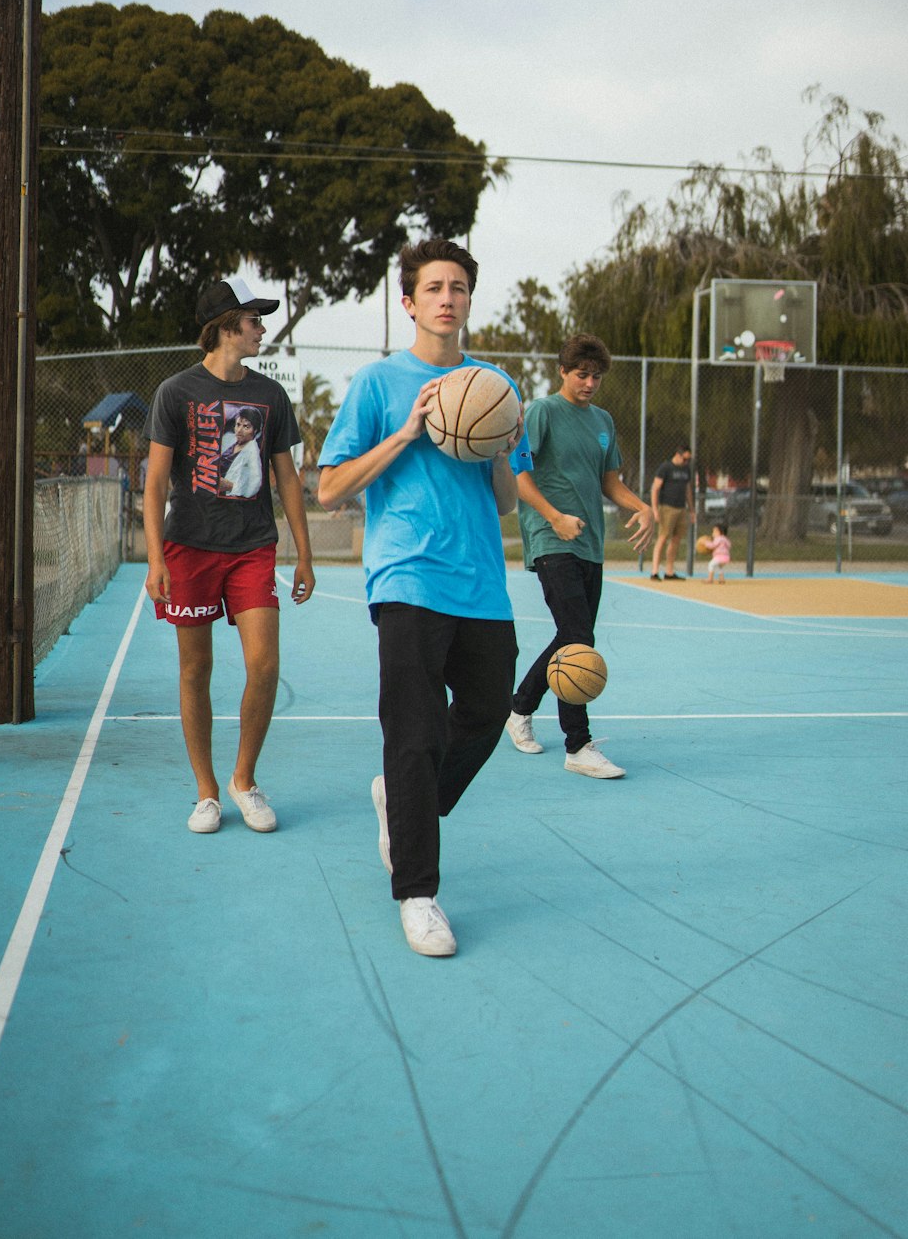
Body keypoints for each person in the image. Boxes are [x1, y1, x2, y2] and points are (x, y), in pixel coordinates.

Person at [316, 237, 529, 958]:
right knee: (412, 734)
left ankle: (405, 802)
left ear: (469, 300)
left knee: (486, 712)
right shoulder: (378, 386)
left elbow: (504, 503)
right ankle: (418, 893)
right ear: (409, 302)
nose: (448, 297)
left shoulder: (493, 385)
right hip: (406, 577)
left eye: (459, 287)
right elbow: (332, 486)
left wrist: (501, 447)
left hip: (481, 584)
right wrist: (408, 432)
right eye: (434, 287)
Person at [143, 278, 315, 836]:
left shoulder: (270, 396)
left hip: (252, 549)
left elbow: (287, 478)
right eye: (253, 320)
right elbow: (155, 483)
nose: (262, 328)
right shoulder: (176, 392)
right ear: (224, 328)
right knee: (196, 670)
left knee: (264, 664)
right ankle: (207, 792)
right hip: (189, 548)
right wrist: (155, 559)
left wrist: (304, 555)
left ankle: (245, 780)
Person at [504, 334, 654, 777]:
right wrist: (554, 517)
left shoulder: (603, 420)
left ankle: (518, 709)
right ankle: (578, 745)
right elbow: (519, 474)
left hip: (590, 543)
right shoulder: (544, 412)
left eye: (596, 377)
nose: (589, 383)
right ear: (563, 372)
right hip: (552, 540)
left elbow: (610, 482)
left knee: (571, 635)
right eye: (581, 374)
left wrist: (642, 506)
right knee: (577, 640)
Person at [650, 443, 694, 581]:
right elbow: (655, 488)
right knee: (663, 538)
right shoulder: (666, 467)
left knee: (676, 539)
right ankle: (655, 571)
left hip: (681, 508)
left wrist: (692, 510)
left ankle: (669, 571)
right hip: (666, 507)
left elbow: (687, 489)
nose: (686, 462)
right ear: (678, 454)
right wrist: (655, 510)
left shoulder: (686, 469)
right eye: (685, 459)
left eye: (689, 460)